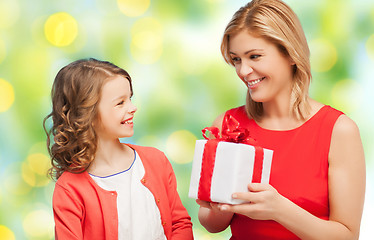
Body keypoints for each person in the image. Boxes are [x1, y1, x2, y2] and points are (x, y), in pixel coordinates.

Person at [196, 0, 366, 239]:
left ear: (291, 54)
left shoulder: (338, 131)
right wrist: (222, 207)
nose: (243, 71)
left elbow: (347, 235)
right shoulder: (227, 124)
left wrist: (279, 209)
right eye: (236, 59)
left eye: (254, 56)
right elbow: (211, 224)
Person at [43, 58, 193, 240]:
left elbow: (180, 224)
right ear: (85, 114)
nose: (133, 108)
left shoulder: (156, 160)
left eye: (130, 98)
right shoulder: (69, 188)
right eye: (120, 103)